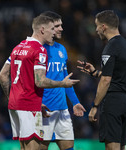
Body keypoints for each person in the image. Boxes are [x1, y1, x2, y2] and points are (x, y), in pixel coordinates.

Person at [0, 15, 79, 150]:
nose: (54, 32)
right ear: (42, 30)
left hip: (15, 104)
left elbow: (2, 75)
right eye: (52, 29)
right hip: (28, 104)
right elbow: (40, 81)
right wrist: (62, 84)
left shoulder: (18, 47)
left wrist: (12, 98)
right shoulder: (39, 50)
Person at [77, 10, 126, 150]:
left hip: (114, 101)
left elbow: (106, 80)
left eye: (97, 26)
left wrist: (95, 106)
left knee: (112, 147)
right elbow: (116, 75)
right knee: (120, 146)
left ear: (104, 26)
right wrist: (95, 72)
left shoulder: (111, 46)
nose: (96, 30)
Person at [39, 11, 86, 150]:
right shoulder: (38, 49)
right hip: (44, 109)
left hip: (62, 109)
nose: (61, 29)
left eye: (61, 25)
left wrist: (75, 102)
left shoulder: (61, 49)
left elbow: (65, 79)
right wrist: (36, 102)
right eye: (57, 26)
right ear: (48, 27)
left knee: (69, 147)